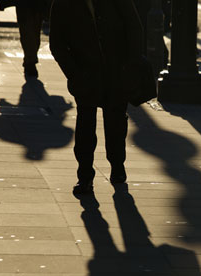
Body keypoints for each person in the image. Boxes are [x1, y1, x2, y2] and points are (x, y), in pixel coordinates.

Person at [50, 0, 144, 194]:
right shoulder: (64, 4)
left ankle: (117, 165)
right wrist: (74, 74)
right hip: (85, 75)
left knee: (116, 122)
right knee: (85, 124)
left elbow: (134, 28)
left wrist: (130, 65)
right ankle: (84, 175)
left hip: (116, 72)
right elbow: (57, 43)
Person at [0, 0, 51, 78]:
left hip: (36, 5)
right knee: (27, 32)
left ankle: (30, 59)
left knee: (33, 33)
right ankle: (30, 61)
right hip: (25, 4)